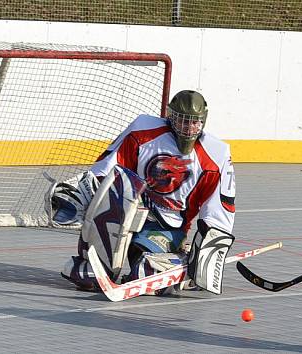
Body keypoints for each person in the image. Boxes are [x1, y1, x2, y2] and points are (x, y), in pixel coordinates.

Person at [46, 90, 236, 295]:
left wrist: (209, 251)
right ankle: (98, 265)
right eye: (182, 120)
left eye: (194, 122)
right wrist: (78, 194)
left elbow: (220, 209)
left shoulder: (215, 156)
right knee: (94, 270)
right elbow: (108, 170)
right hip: (129, 213)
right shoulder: (143, 131)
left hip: (167, 227)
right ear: (170, 117)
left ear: (203, 122)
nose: (188, 127)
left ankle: (181, 262)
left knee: (144, 275)